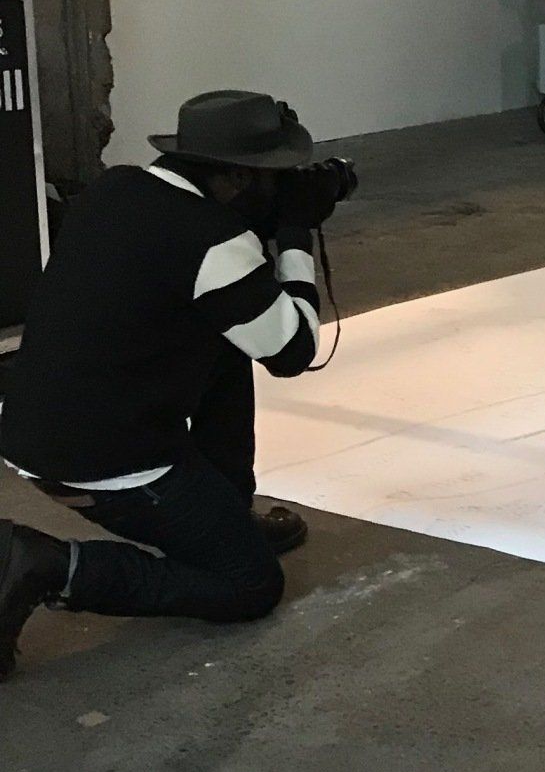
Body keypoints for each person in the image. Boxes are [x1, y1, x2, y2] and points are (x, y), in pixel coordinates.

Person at [0, 89, 346, 672]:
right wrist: (293, 237)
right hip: (103, 460)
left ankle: (224, 515)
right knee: (249, 585)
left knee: (228, 343)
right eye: (275, 175)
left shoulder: (117, 190)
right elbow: (292, 351)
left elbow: (228, 316)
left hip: (32, 427)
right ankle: (45, 564)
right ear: (237, 176)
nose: (284, 185)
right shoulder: (211, 239)